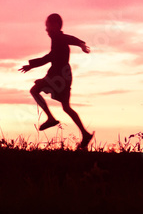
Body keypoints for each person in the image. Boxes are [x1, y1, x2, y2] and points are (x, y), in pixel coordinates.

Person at [19, 13, 94, 150]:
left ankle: (51, 119)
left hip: (58, 76)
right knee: (66, 107)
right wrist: (33, 67)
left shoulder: (59, 37)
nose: (46, 29)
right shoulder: (56, 38)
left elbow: (67, 40)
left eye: (47, 26)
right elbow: (52, 56)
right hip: (63, 76)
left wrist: (81, 44)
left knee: (34, 90)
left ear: (55, 26)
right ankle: (85, 134)